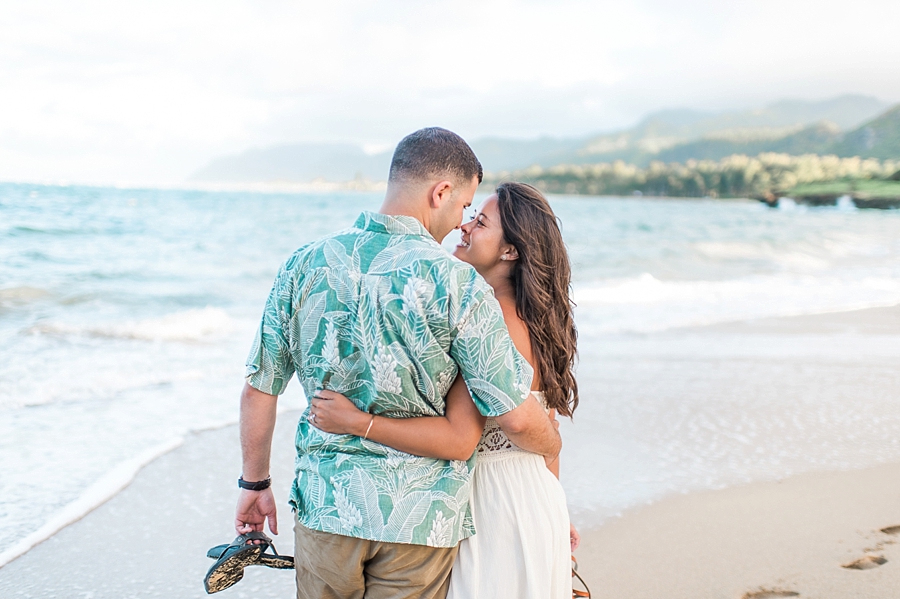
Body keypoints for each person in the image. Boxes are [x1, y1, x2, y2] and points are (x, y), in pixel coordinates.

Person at [234, 127, 562, 599]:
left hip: (330, 506)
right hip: (421, 521)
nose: (459, 223)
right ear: (441, 192)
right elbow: (513, 413)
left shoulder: (304, 263)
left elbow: (259, 388)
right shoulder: (461, 285)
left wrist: (254, 482)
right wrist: (551, 439)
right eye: (463, 206)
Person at [310, 182, 580, 599]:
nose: (466, 227)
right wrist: (556, 508)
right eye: (472, 216)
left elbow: (461, 436)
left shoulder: (490, 319)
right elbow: (547, 438)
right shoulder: (536, 319)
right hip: (536, 499)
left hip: (493, 505)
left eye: (481, 222)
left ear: (511, 251)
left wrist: (356, 421)